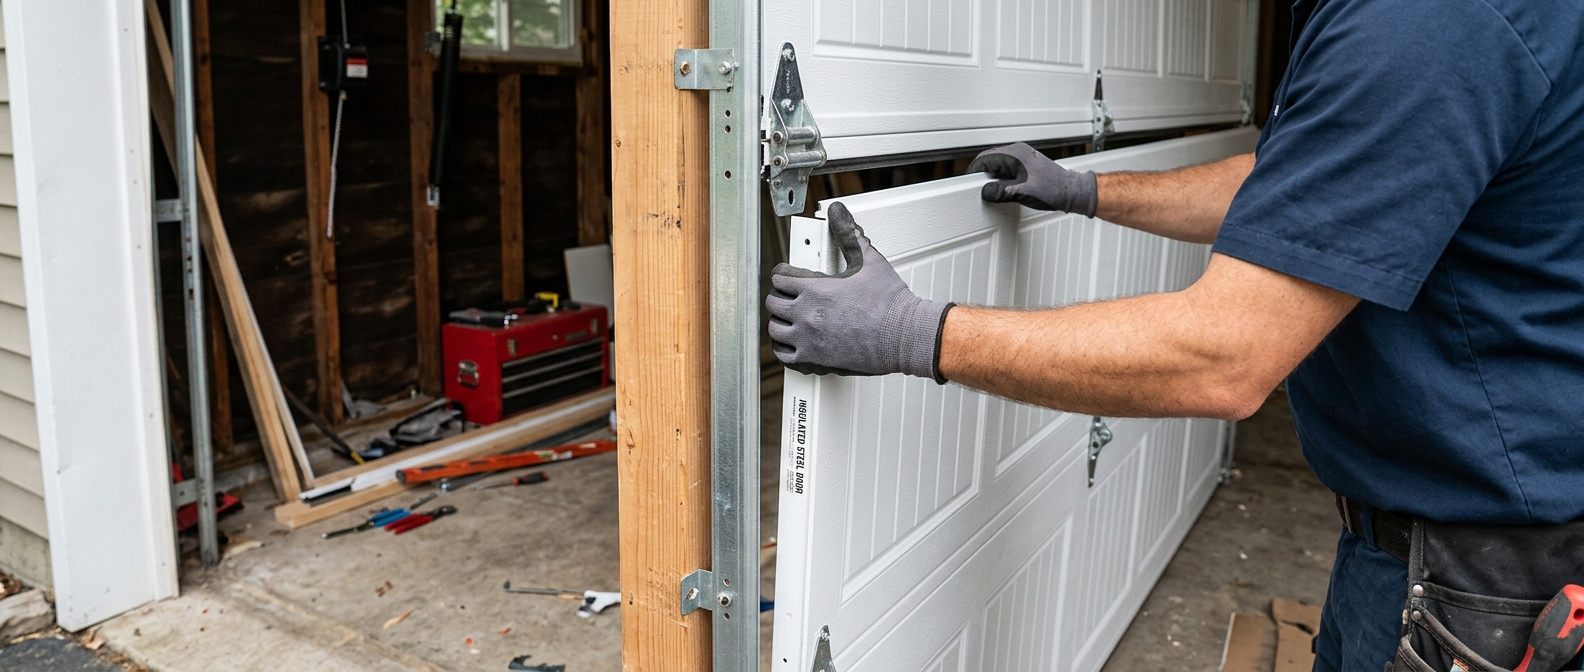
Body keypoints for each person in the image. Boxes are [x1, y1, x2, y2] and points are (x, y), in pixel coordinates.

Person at [764, 1, 1584, 669]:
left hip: (1479, 585)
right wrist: (1089, 190)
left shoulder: (1429, 21)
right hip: (1421, 551)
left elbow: (1224, 357)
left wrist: (916, 335)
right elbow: (1304, 188)